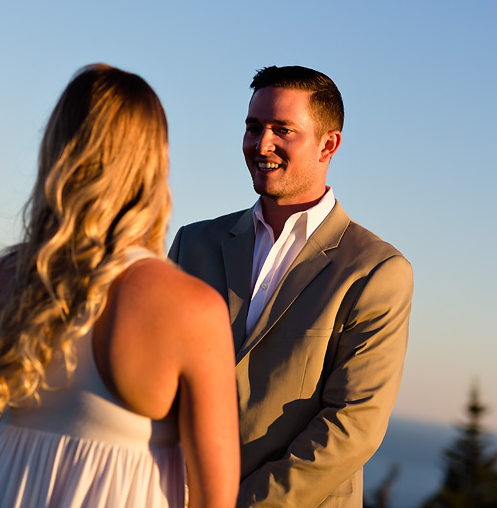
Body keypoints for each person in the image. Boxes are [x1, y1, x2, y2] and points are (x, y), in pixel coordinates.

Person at [0, 64, 240, 507]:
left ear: (57, 149)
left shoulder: (2, 279)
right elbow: (214, 500)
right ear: (153, 161)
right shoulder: (191, 308)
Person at [168, 65, 413, 508]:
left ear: (328, 144)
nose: (262, 144)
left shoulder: (377, 270)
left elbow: (353, 425)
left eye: (283, 129)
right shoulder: (193, 243)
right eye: (253, 127)